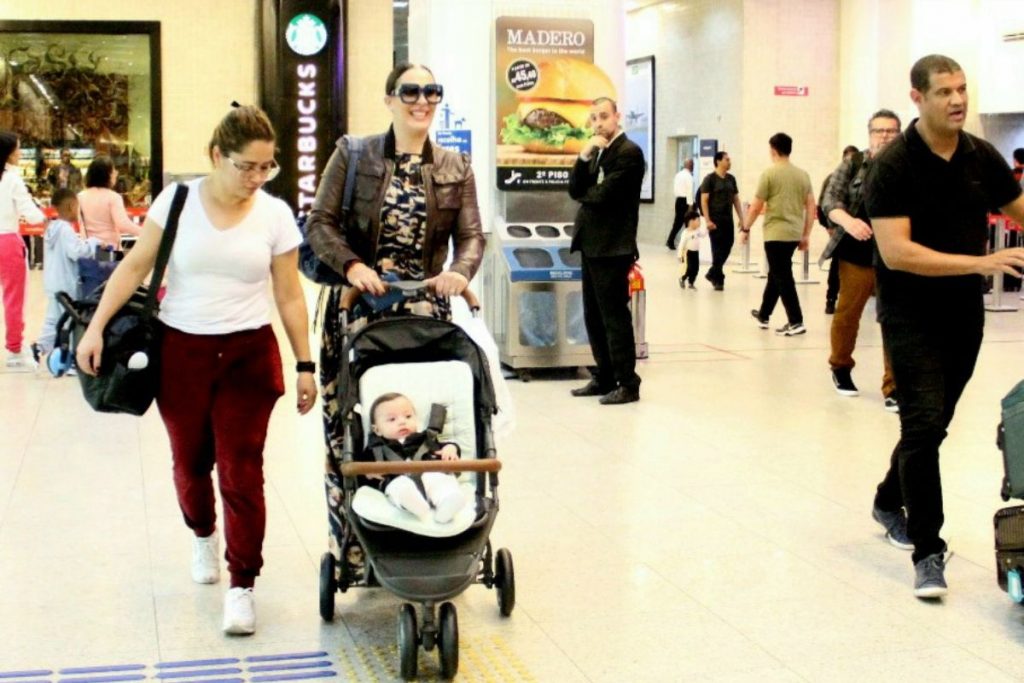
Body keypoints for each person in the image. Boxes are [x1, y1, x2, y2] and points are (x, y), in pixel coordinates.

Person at [75, 104, 318, 634]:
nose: (257, 178)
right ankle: (203, 533)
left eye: (266, 168)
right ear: (216, 156)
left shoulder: (274, 215)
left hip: (248, 355)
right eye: (246, 167)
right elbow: (136, 264)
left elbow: (290, 295)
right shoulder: (177, 201)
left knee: (241, 467)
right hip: (181, 351)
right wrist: (95, 327)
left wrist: (305, 363)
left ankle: (242, 584)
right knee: (189, 463)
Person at [305, 62, 484, 558]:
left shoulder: (455, 166)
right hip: (358, 307)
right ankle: (356, 545)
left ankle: (436, 531)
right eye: (410, 91)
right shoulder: (353, 153)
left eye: (432, 90)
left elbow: (471, 235)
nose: (421, 99)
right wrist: (352, 265)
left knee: (426, 418)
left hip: (426, 311)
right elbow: (320, 223)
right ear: (389, 99)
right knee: (353, 426)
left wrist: (461, 272)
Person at [864, 55, 1024, 599]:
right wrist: (980, 264)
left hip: (962, 315)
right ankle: (928, 551)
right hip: (910, 314)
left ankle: (888, 499)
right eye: (944, 92)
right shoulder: (892, 167)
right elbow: (898, 252)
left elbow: (1017, 206)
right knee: (924, 424)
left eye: (962, 89)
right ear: (917, 97)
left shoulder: (980, 155)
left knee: (929, 425)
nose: (957, 100)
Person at [567, 97, 646, 405]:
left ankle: (628, 382)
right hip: (592, 245)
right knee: (594, 316)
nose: (598, 123)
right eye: (593, 118)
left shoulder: (629, 153)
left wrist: (588, 193)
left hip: (613, 247)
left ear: (617, 116)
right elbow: (576, 190)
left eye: (603, 116)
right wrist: (584, 156)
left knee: (614, 317)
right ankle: (604, 376)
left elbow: (603, 196)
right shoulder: (600, 152)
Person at [821, 110, 902, 409]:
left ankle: (893, 386)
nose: (884, 136)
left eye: (891, 131)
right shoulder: (853, 164)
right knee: (848, 313)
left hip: (895, 254)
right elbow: (830, 200)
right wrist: (848, 222)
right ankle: (840, 366)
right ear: (869, 134)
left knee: (894, 319)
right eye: (879, 131)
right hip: (857, 253)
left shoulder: (910, 167)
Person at [743, 133, 815, 336]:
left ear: (773, 150)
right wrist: (806, 234)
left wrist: (745, 228)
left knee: (782, 275)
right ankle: (764, 314)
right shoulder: (803, 175)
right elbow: (811, 206)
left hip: (775, 234)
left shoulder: (769, 174)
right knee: (776, 273)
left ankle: (796, 320)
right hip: (793, 233)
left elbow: (756, 206)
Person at [361, 392, 468, 524]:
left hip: (431, 473)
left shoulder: (425, 439)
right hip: (397, 479)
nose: (402, 422)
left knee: (441, 481)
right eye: (392, 419)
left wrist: (451, 448)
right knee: (397, 487)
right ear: (377, 430)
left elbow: (444, 446)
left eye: (408, 416)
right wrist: (368, 473)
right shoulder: (375, 449)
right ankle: (415, 505)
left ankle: (448, 503)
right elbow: (360, 470)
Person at [31, 188, 102, 365]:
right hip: (66, 285)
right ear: (71, 206)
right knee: (71, 322)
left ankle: (39, 347)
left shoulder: (52, 229)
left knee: (53, 318)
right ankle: (69, 358)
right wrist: (93, 243)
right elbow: (76, 252)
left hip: (53, 283)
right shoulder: (65, 229)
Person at [0, 131, 45, 371]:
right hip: (7, 241)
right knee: (13, 299)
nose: (20, 153)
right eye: (17, 149)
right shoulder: (13, 180)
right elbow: (31, 213)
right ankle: (15, 350)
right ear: (8, 152)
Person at [821, 144, 860, 314]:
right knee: (836, 267)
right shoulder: (833, 178)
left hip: (859, 232)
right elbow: (824, 203)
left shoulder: (864, 176)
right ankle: (831, 299)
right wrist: (829, 226)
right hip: (840, 231)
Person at [699, 151, 744, 290]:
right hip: (715, 220)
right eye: (727, 159)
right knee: (717, 250)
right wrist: (707, 220)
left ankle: (713, 272)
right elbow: (704, 201)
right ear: (718, 161)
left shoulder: (731, 179)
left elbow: (736, 199)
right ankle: (719, 279)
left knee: (728, 245)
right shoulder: (710, 179)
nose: (729, 162)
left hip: (728, 219)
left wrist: (742, 218)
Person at [78, 155, 142, 247]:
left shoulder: (79, 197)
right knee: (120, 261)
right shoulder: (113, 197)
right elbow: (123, 224)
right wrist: (144, 232)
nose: (116, 173)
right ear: (107, 175)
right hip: (109, 250)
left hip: (87, 249)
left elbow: (81, 224)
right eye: (113, 171)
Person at [665, 158, 694, 250]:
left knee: (678, 222)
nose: (693, 166)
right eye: (692, 164)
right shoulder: (689, 176)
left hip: (678, 200)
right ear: (690, 165)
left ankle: (672, 241)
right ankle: (684, 243)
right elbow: (689, 191)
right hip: (685, 201)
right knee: (687, 223)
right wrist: (690, 205)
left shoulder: (678, 175)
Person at [677, 208, 704, 289]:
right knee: (690, 268)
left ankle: (691, 283)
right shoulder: (685, 233)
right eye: (698, 220)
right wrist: (679, 255)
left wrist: (708, 229)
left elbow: (703, 234)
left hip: (696, 253)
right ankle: (682, 278)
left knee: (696, 269)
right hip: (688, 253)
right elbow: (681, 245)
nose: (700, 222)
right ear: (691, 221)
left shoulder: (697, 230)